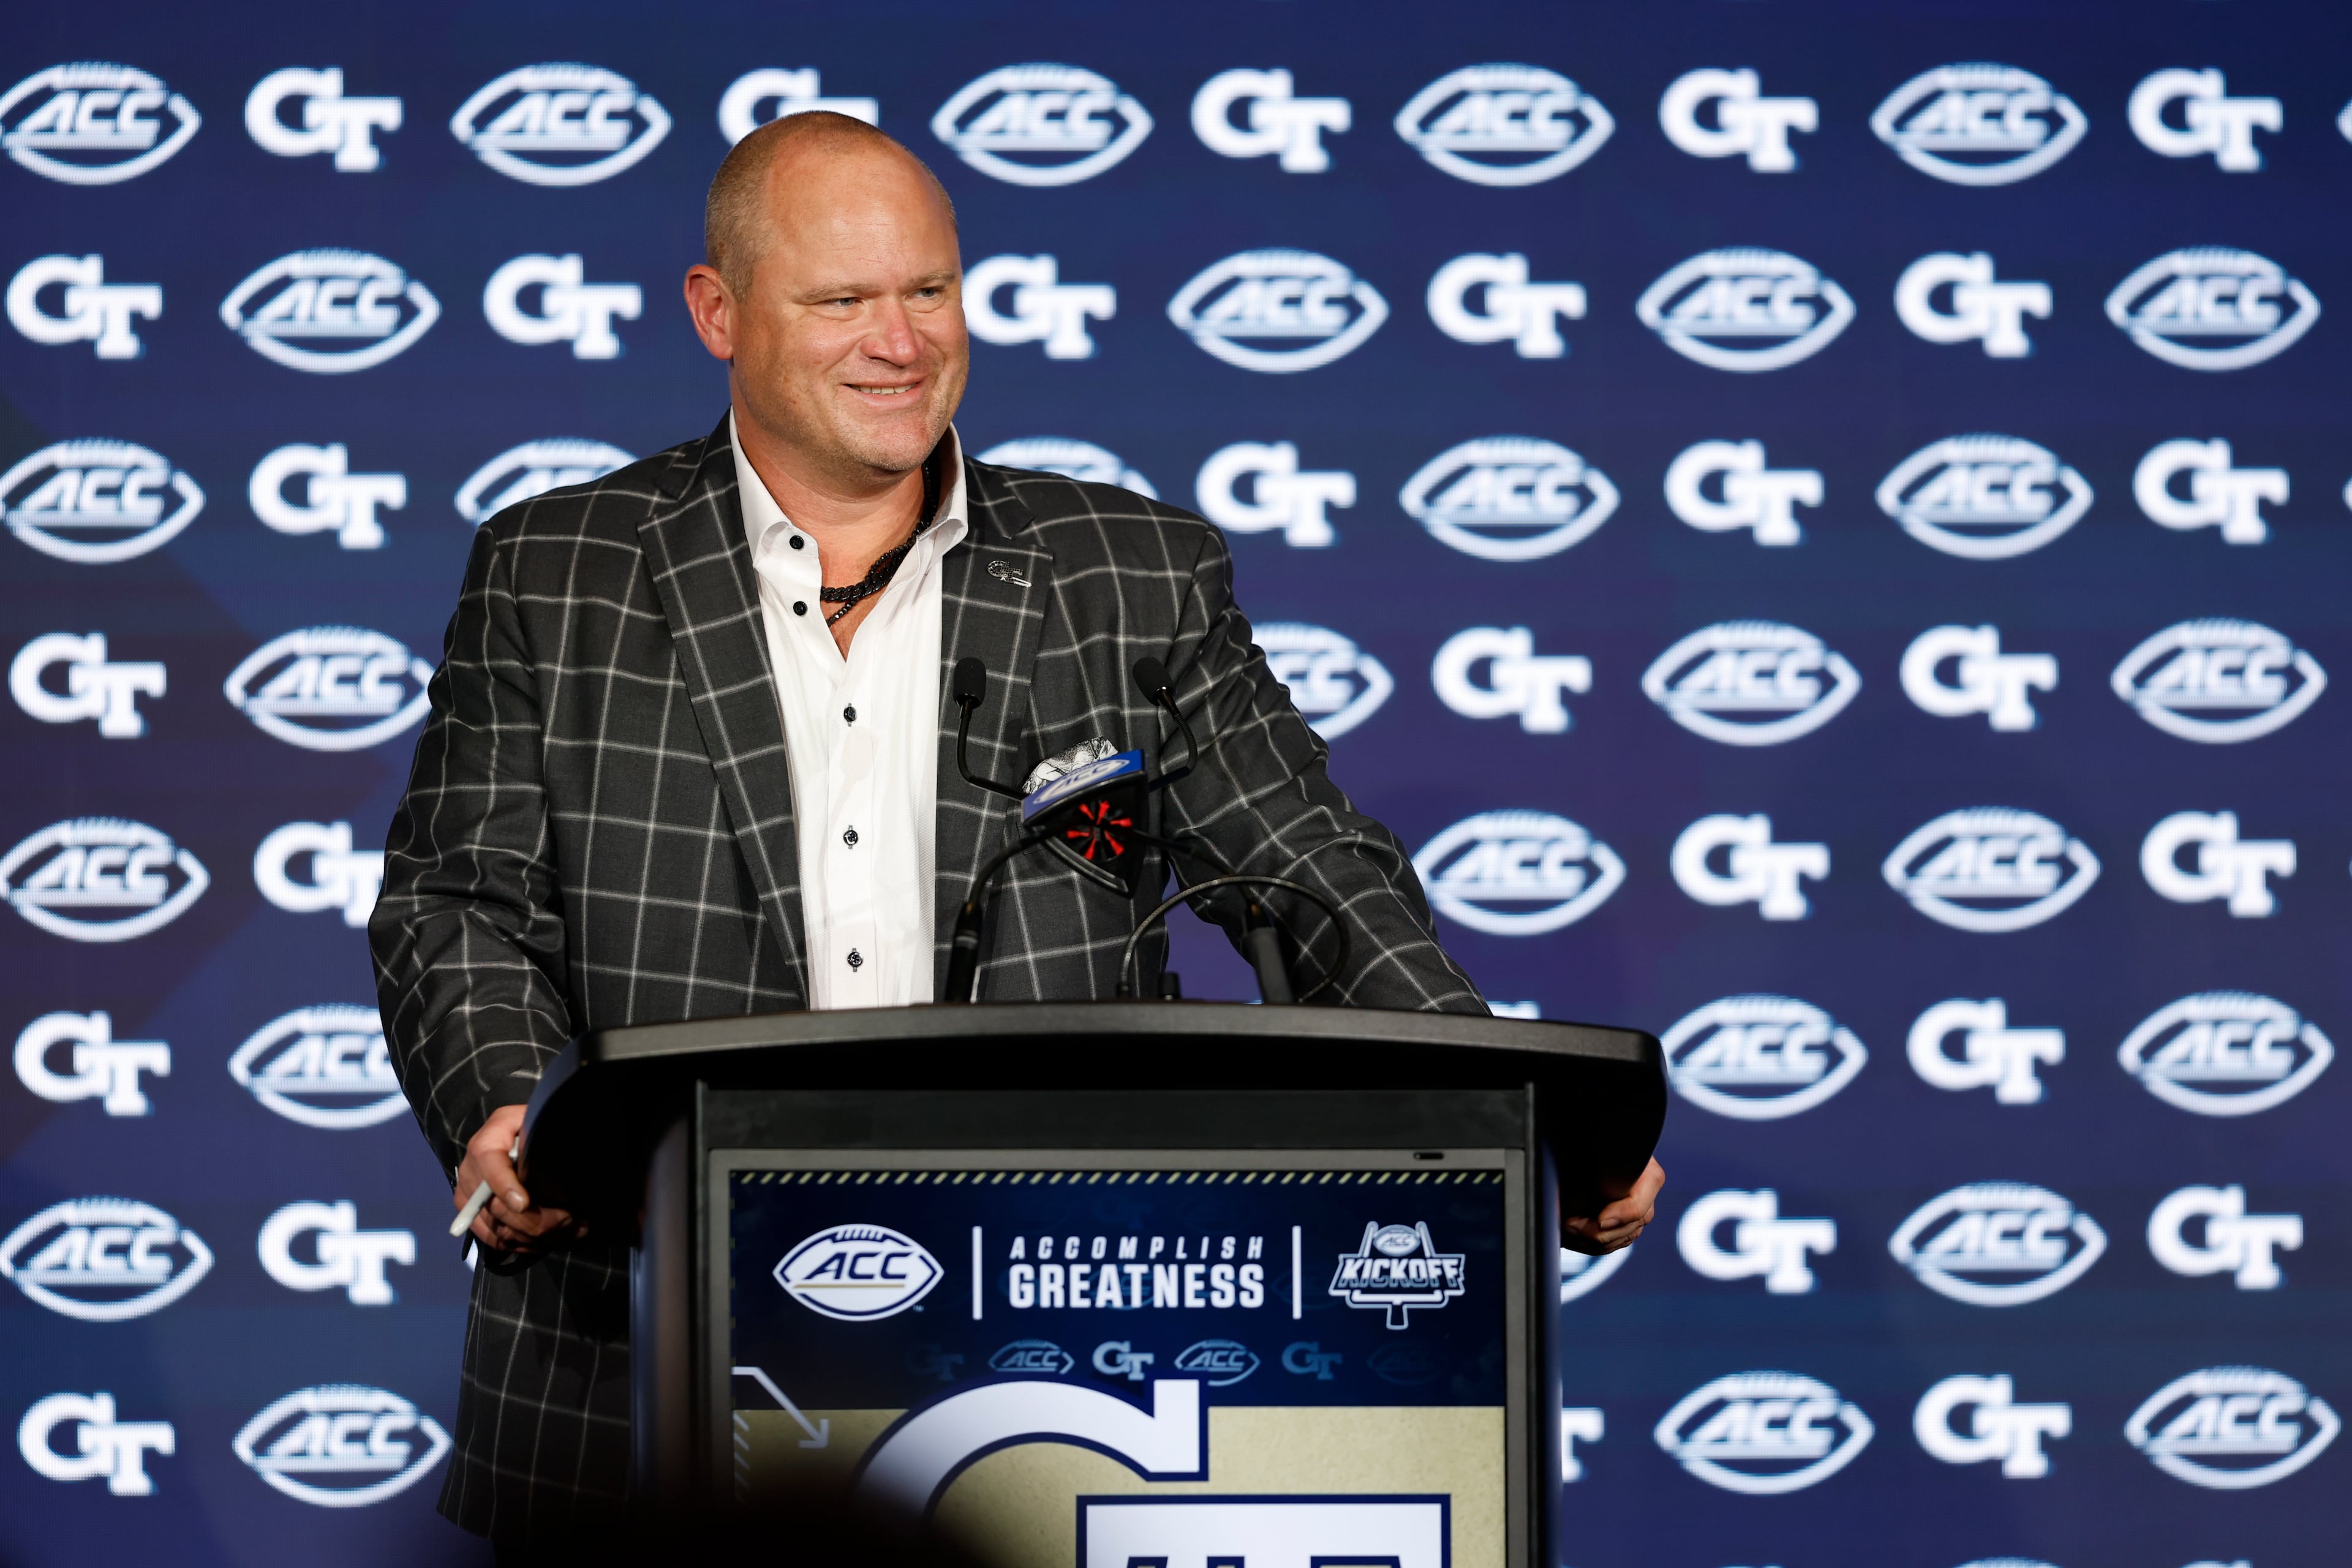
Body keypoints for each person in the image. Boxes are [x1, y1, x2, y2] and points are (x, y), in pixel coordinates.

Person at [369, 111, 1665, 1546]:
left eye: (929, 290)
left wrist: (1513, 1118)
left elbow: (1306, 868)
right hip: (631, 1355)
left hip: (1046, 1366)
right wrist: (510, 1114)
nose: (901, 342)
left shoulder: (1131, 571)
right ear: (719, 313)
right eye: (844, 300)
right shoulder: (559, 566)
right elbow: (458, 898)